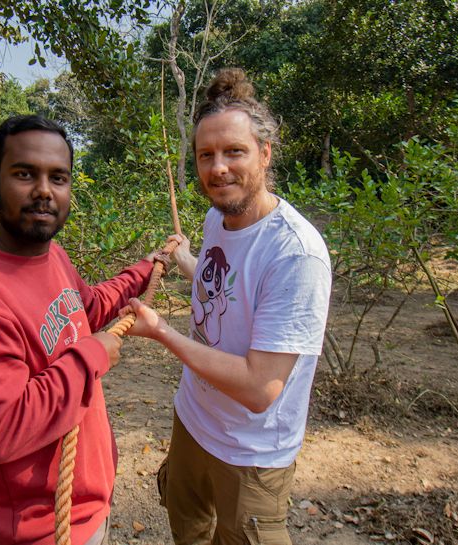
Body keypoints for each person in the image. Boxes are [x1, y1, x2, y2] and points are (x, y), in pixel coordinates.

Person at [0, 115, 164, 545]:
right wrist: (91, 356)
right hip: (42, 531)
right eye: (24, 174)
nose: (44, 190)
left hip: (84, 509)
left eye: (59, 177)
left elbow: (87, 307)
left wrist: (146, 269)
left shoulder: (50, 256)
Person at [121, 68, 332, 545]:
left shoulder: (294, 253)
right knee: (188, 528)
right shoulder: (220, 214)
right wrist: (184, 259)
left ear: (265, 153)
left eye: (234, 152)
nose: (218, 168)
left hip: (251, 452)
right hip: (193, 420)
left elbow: (261, 389)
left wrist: (162, 334)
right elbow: (225, 287)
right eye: (206, 155)